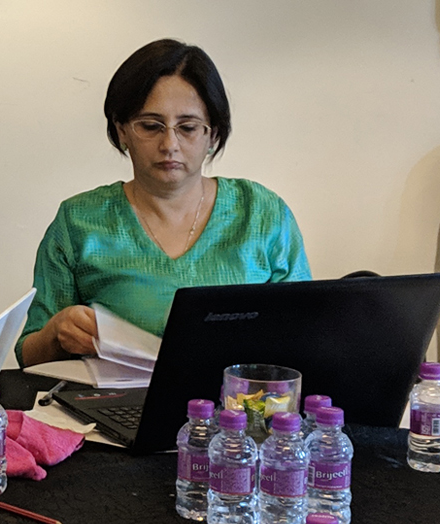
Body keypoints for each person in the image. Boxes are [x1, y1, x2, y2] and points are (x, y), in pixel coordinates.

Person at [17, 39, 307, 366]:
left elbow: (308, 331)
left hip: (239, 398)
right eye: (150, 126)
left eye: (188, 128)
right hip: (113, 397)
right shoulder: (78, 221)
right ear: (122, 131)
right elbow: (28, 355)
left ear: (213, 135)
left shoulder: (263, 214)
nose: (169, 144)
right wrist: (57, 332)